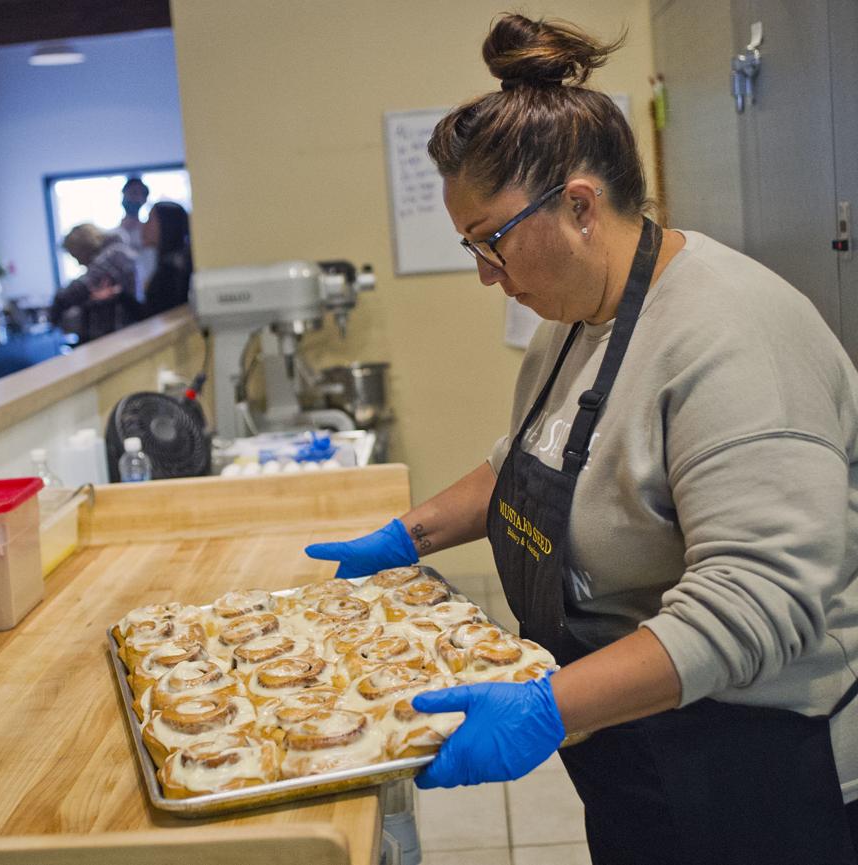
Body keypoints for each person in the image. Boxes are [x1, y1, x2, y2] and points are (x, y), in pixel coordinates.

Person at [305, 14, 858, 865]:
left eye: (491, 241)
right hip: (640, 746)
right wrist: (406, 535)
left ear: (578, 206)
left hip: (761, 762)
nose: (487, 275)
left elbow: (758, 602)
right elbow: (530, 463)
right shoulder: (572, 322)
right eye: (470, 248)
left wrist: (550, 707)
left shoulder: (737, 337)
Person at [50, 223, 137, 341]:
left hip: (122, 332)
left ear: (83, 248)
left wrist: (55, 308)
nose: (79, 263)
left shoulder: (114, 254)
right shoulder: (116, 252)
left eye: (76, 256)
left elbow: (78, 289)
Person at [134, 200, 192, 317]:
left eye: (150, 220)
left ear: (167, 225)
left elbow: (157, 313)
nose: (144, 226)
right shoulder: (173, 263)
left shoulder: (175, 271)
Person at [116, 176, 149, 251]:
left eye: (135, 193)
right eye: (128, 192)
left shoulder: (149, 234)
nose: (131, 197)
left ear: (144, 199)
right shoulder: (112, 233)